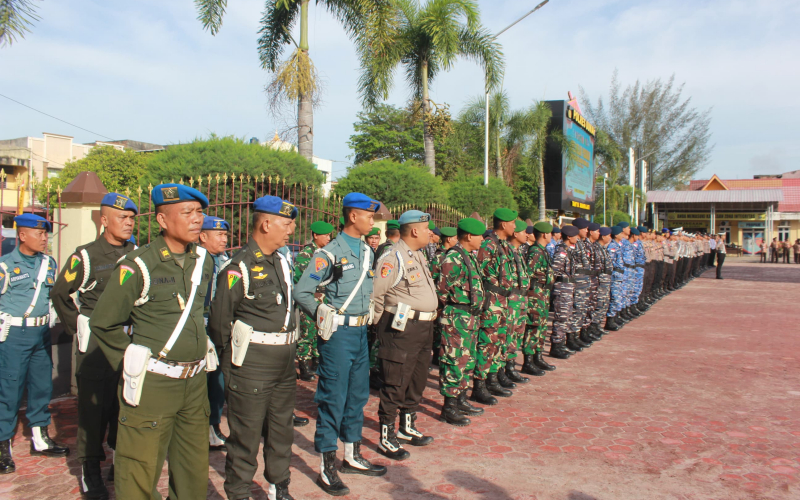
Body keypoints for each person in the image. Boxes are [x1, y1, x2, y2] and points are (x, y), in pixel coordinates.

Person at [90, 184, 214, 500]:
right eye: (187, 213)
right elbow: (104, 322)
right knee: (138, 477)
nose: (196, 219)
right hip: (153, 386)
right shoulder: (138, 265)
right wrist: (130, 362)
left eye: (199, 212)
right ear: (161, 219)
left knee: (193, 474)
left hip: (195, 384)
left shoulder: (203, 261)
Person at [208, 195, 299, 500]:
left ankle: (278, 486)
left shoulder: (281, 261)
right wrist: (233, 368)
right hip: (252, 365)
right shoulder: (238, 267)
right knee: (245, 437)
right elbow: (219, 325)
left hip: (284, 364)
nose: (291, 231)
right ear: (265, 223)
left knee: (281, 430)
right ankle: (238, 492)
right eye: (286, 224)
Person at [294, 192, 385, 496]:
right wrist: (321, 313)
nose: (373, 221)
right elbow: (302, 291)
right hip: (337, 336)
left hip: (360, 334)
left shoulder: (367, 251)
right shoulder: (330, 253)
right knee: (334, 398)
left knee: (358, 396)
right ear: (352, 217)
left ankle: (352, 455)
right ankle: (327, 465)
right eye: (368, 215)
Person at [51, 193, 138, 497]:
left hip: (129, 341)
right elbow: (61, 293)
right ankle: (90, 472)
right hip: (97, 345)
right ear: (104, 220)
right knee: (93, 410)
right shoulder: (85, 256)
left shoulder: (137, 254)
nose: (128, 223)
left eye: (131, 218)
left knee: (124, 404)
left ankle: (118, 460)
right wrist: (78, 325)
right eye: (122, 217)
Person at [0, 214, 67, 476]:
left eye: (46, 234)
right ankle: (3, 443)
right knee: (9, 390)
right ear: (22, 235)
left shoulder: (48, 263)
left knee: (42, 386)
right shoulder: (5, 265)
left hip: (41, 334)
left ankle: (40, 438)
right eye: (38, 234)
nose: (44, 238)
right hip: (14, 334)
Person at [372, 210, 438, 460]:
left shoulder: (418, 255)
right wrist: (380, 327)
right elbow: (377, 293)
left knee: (417, 379)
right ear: (414, 231)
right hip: (401, 328)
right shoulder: (393, 257)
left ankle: (407, 427)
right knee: (395, 381)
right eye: (426, 228)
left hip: (422, 327)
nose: (430, 233)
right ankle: (387, 436)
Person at [436, 218, 487, 426]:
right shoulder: (454, 258)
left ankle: (460, 399)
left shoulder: (468, 256)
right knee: (454, 360)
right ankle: (448, 407)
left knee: (467, 360)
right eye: (479, 236)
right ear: (468, 236)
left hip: (470, 318)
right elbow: (441, 290)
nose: (482, 239)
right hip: (457, 317)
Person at [473, 208, 520, 403]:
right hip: (492, 301)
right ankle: (479, 385)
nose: (515, 227)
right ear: (503, 224)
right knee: (487, 342)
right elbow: (479, 274)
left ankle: (492, 378)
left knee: (499, 341)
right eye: (512, 223)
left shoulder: (505, 246)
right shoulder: (488, 245)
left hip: (504, 301)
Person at [196, 214, 231, 452]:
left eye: (226, 234)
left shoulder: (226, 261)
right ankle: (198, 428)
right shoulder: (196, 260)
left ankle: (213, 425)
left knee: (217, 378)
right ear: (202, 236)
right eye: (219, 234)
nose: (224, 239)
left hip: (220, 325)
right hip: (200, 325)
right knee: (200, 380)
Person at [293, 221, 334, 382]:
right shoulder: (307, 253)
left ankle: (316, 362)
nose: (329, 238)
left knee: (320, 330)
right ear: (316, 235)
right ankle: (303, 365)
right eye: (326, 235)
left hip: (323, 299)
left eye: (329, 235)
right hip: (310, 297)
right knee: (307, 332)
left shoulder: (325, 252)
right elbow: (298, 277)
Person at [522, 221, 556, 375]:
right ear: (544, 234)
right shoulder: (535, 252)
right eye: (549, 233)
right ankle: (528, 361)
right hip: (536, 294)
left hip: (543, 294)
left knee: (541, 327)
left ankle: (538, 356)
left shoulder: (542, 250)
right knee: (533, 327)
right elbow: (528, 273)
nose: (551, 236)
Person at [505, 220, 531, 384]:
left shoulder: (518, 251)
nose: (527, 235)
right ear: (515, 234)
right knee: (508, 335)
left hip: (521, 298)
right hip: (511, 299)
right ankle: (503, 370)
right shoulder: (506, 251)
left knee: (517, 334)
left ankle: (511, 367)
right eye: (523, 232)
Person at [550, 225, 579, 358]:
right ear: (569, 236)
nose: (577, 239)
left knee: (566, 316)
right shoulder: (561, 251)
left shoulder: (568, 250)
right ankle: (556, 346)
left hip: (568, 287)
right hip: (562, 288)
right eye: (575, 236)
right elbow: (555, 271)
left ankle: (561, 344)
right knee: (561, 318)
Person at [430, 226, 457, 366]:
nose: (457, 240)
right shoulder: (440, 256)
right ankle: (436, 355)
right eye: (455, 238)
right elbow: (433, 277)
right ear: (449, 239)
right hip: (439, 297)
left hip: (448, 298)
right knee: (438, 328)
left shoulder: (452, 254)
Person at [589, 226, 613, 337]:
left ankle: (597, 325)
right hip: (599, 280)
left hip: (605, 280)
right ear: (603, 236)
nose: (610, 237)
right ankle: (593, 326)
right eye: (608, 235)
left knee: (604, 303)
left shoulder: (603, 248)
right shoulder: (595, 248)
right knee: (598, 304)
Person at [604, 226, 627, 332]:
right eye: (621, 233)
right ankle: (610, 320)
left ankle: (614, 317)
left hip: (619, 276)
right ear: (616, 234)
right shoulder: (612, 246)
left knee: (618, 298)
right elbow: (610, 262)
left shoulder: (617, 245)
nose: (623, 235)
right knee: (614, 298)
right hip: (614, 276)